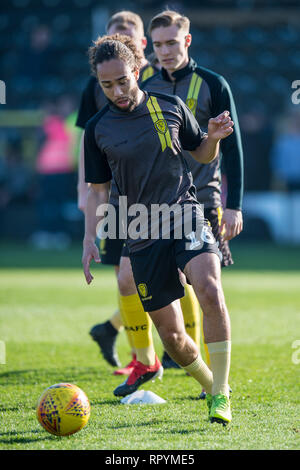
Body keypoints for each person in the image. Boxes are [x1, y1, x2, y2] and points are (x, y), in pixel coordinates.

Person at [82, 34, 234, 425]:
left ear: (136, 71)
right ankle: (206, 381)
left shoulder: (169, 105)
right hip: (139, 230)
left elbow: (201, 151)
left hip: (185, 214)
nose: (116, 90)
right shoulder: (97, 129)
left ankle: (221, 392)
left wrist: (213, 138)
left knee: (210, 289)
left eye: (122, 81)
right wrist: (89, 238)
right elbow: (97, 191)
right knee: (173, 337)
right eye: (106, 85)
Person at [114, 9, 244, 394]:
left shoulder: (212, 83)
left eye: (172, 42)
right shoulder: (142, 85)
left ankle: (215, 385)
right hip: (150, 207)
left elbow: (232, 149)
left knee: (205, 287)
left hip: (201, 199)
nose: (165, 51)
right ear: (148, 48)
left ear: (186, 41)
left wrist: (234, 204)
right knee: (145, 281)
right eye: (157, 45)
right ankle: (154, 361)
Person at [76, 11, 159, 369]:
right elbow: (87, 141)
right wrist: (86, 190)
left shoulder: (161, 83)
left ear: (141, 45)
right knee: (128, 276)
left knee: (177, 275)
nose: (115, 90)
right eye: (115, 36)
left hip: (164, 195)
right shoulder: (95, 90)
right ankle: (142, 356)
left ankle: (127, 337)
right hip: (116, 197)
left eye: (129, 36)